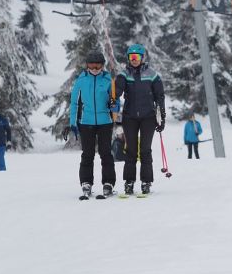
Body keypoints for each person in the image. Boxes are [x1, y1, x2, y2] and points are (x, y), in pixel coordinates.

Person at [114, 43, 165, 196]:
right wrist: (114, 93)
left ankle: (146, 182)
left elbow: (159, 96)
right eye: (131, 57)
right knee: (130, 150)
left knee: (145, 150)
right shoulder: (124, 74)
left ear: (143, 58)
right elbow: (118, 91)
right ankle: (129, 182)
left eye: (136, 57)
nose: (134, 60)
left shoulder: (152, 74)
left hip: (148, 117)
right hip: (129, 117)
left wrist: (161, 116)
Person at [70, 51, 116, 199]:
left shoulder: (108, 79)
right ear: (87, 65)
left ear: (102, 66)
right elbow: (74, 102)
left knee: (106, 154)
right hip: (87, 122)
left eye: (98, 65)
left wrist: (113, 105)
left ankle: (108, 183)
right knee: (87, 154)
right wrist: (73, 123)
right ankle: (86, 183)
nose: (95, 68)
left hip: (105, 122)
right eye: (92, 65)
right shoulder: (81, 80)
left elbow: (115, 103)